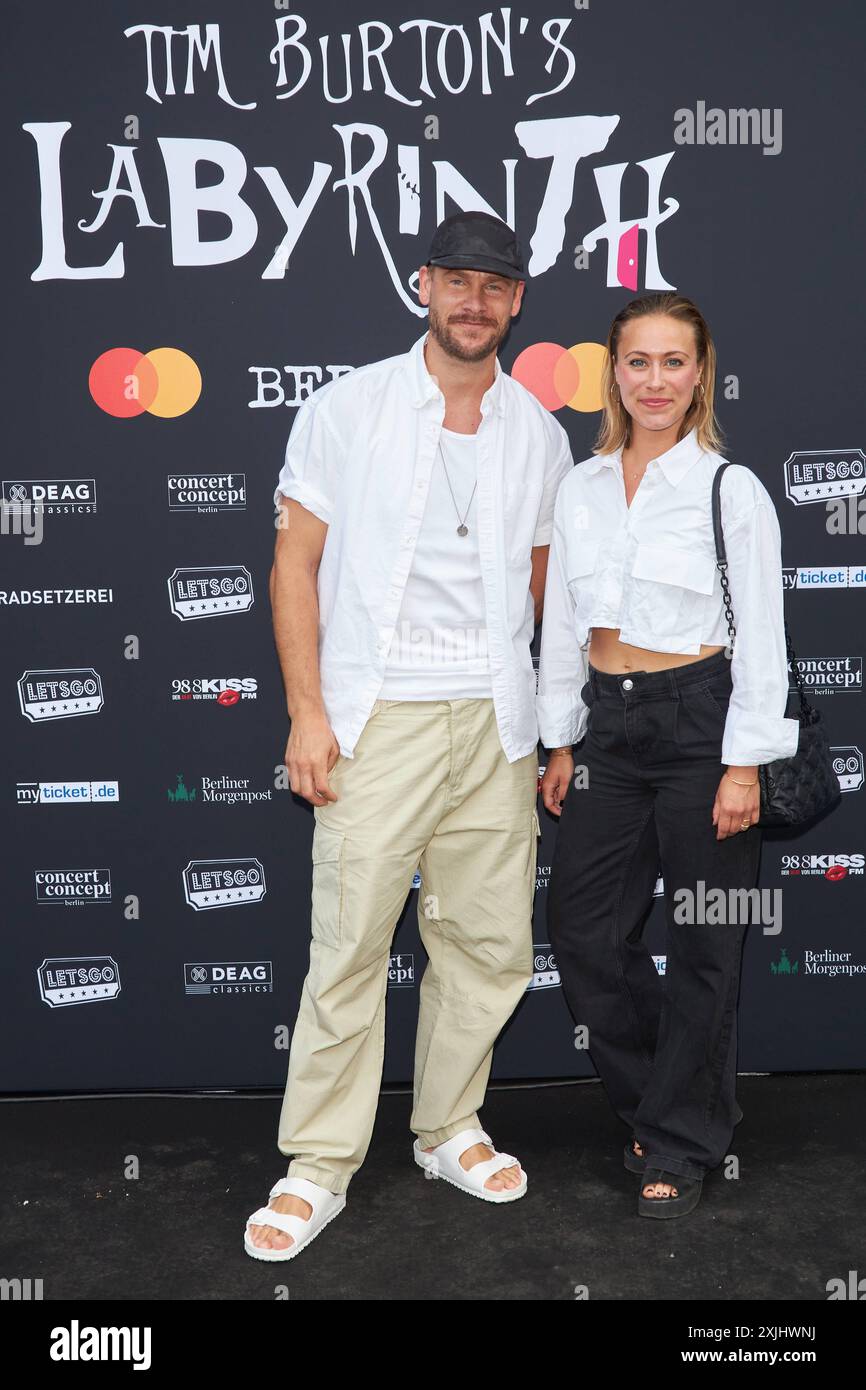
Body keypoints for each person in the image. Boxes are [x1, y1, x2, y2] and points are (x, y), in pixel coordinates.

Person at [244, 211, 574, 1260]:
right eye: (456, 281)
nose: (474, 302)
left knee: (484, 944)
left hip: (494, 722)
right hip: (373, 715)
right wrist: (307, 712)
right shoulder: (345, 409)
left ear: (517, 300)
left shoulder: (537, 431)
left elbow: (540, 590)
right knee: (347, 945)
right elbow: (294, 564)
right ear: (422, 285)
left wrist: (550, 725)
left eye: (496, 286)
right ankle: (318, 1163)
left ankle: (446, 1126)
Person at [537, 291, 798, 1219]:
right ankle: (666, 1098)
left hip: (703, 727)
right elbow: (563, 626)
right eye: (638, 361)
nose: (656, 381)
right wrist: (560, 735)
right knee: (583, 933)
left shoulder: (732, 490)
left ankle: (680, 1141)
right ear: (614, 371)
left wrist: (744, 766)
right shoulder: (579, 486)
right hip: (608, 727)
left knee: (704, 945)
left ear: (701, 374)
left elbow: (761, 637)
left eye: (674, 362)